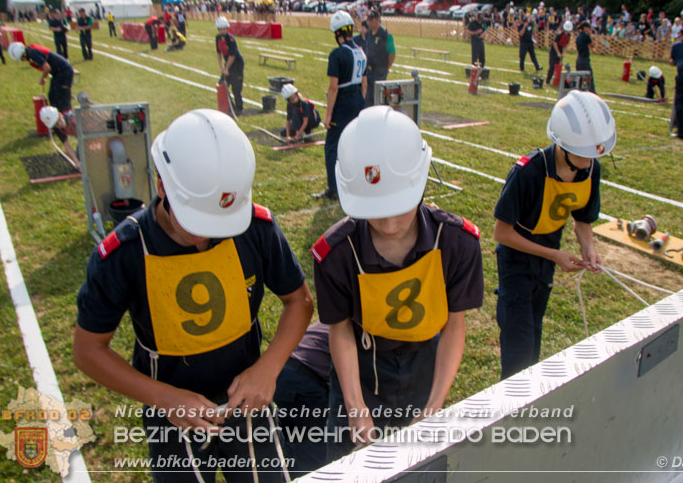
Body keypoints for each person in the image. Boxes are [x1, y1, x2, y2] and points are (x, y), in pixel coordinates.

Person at [73, 109, 314, 482]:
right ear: (162, 185)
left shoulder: (253, 226)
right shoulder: (124, 252)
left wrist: (268, 369)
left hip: (247, 400)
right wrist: (164, 397)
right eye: (196, 221)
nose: (205, 237)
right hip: (171, 411)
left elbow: (298, 300)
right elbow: (88, 350)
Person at [311, 105, 484, 460]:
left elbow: (454, 324)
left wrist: (435, 404)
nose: (389, 225)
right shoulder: (336, 253)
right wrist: (355, 406)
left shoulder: (457, 242)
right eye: (374, 210)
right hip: (360, 367)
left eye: (400, 206)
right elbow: (340, 329)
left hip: (426, 364)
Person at [494, 90, 614, 379]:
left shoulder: (590, 168)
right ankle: (511, 409)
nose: (589, 162)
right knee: (519, 347)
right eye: (583, 154)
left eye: (593, 155)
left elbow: (582, 219)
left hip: (547, 258)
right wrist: (554, 254)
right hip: (517, 262)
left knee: (534, 333)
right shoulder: (528, 171)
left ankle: (526, 399)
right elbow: (502, 233)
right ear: (562, 142)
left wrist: (589, 247)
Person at [318, 10, 367, 200]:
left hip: (343, 103)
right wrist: (360, 102)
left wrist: (328, 115)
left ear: (337, 33)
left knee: (332, 147)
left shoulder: (337, 54)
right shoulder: (361, 52)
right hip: (358, 101)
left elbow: (333, 88)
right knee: (353, 145)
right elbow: (364, 83)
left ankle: (334, 189)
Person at [272, 322, 330, 474]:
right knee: (333, 437)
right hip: (301, 379)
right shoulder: (361, 331)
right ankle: (280, 463)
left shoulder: (338, 318)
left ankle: (269, 430)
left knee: (300, 422)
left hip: (280, 371)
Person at [8, 42, 74, 113]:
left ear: (23, 54)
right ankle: (58, 116)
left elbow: (47, 68)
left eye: (21, 58)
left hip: (63, 71)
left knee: (60, 96)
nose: (23, 60)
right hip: (59, 72)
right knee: (53, 95)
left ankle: (68, 117)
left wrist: (43, 78)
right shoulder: (31, 50)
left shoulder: (33, 54)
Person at [362, 9, 396, 105]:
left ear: (377, 19)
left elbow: (392, 53)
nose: (368, 22)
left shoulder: (385, 35)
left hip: (380, 71)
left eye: (371, 20)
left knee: (378, 97)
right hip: (369, 71)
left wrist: (387, 67)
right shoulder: (368, 34)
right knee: (368, 98)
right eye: (368, 20)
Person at [215, 16, 245, 116]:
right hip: (227, 63)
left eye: (224, 28)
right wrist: (221, 67)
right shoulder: (218, 38)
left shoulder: (231, 39)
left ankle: (239, 108)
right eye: (221, 29)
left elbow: (232, 56)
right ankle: (228, 105)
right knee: (222, 85)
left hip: (236, 64)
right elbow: (219, 53)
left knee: (236, 87)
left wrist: (226, 69)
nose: (223, 31)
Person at [575, 21, 596, 94]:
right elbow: (592, 45)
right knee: (589, 77)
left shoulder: (578, 36)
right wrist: (590, 35)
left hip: (578, 59)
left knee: (580, 77)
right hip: (584, 60)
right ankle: (592, 93)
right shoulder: (586, 36)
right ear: (585, 28)